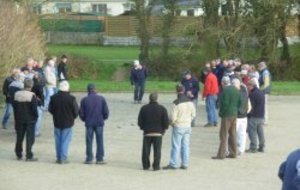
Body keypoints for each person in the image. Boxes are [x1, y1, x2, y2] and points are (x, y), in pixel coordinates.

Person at [163, 84, 195, 170]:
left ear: (176, 91)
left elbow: (172, 117)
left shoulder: (176, 103)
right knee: (185, 145)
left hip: (179, 125)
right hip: (187, 125)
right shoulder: (190, 102)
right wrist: (189, 121)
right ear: (184, 90)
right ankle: (185, 163)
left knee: (176, 146)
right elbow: (193, 114)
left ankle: (173, 163)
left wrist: (172, 123)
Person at [49, 81, 79, 164]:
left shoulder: (53, 97)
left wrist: (55, 114)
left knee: (58, 140)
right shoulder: (71, 98)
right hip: (68, 122)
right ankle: (63, 157)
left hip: (57, 121)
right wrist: (72, 117)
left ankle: (59, 157)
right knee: (65, 140)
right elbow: (76, 111)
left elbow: (50, 109)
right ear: (68, 88)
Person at [79, 83, 109, 165]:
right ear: (95, 89)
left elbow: (81, 113)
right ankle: (99, 158)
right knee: (100, 140)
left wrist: (84, 119)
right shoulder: (101, 99)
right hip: (99, 122)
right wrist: (103, 118)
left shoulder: (84, 100)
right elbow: (106, 112)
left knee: (89, 141)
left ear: (87, 90)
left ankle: (89, 158)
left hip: (89, 123)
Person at [138, 93, 169, 171]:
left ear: (149, 99)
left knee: (146, 150)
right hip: (158, 133)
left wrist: (143, 128)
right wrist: (164, 130)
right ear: (157, 99)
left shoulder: (144, 108)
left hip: (147, 132)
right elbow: (166, 122)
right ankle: (156, 166)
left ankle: (145, 165)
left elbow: (140, 121)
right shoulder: (162, 109)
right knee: (157, 151)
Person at [212, 77, 241, 160]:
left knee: (223, 135)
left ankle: (221, 154)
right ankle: (233, 153)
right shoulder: (236, 90)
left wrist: (221, 113)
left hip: (227, 115)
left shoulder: (225, 91)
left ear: (222, 83)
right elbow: (239, 103)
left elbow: (224, 104)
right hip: (234, 114)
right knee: (233, 134)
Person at [13, 78, 38, 161]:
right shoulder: (32, 95)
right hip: (30, 119)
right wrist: (36, 117)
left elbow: (15, 107)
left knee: (19, 137)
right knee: (30, 138)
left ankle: (18, 153)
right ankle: (29, 155)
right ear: (31, 85)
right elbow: (34, 108)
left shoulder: (16, 94)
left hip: (19, 118)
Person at [246, 78, 265, 153]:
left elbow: (251, 106)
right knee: (260, 132)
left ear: (252, 86)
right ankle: (261, 146)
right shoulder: (261, 92)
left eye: (248, 86)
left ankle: (253, 147)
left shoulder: (252, 94)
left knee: (252, 132)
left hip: (254, 116)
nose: (247, 87)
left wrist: (248, 115)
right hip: (261, 115)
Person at [233, 78, 249, 155]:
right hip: (244, 115)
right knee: (242, 134)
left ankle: (233, 149)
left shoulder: (236, 93)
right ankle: (241, 149)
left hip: (238, 116)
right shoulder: (245, 92)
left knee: (234, 133)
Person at [32, 72, 45, 137]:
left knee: (34, 118)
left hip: (32, 103)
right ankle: (36, 132)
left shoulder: (31, 83)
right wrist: (41, 102)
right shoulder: (38, 85)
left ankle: (34, 131)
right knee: (38, 118)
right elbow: (41, 95)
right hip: (38, 103)